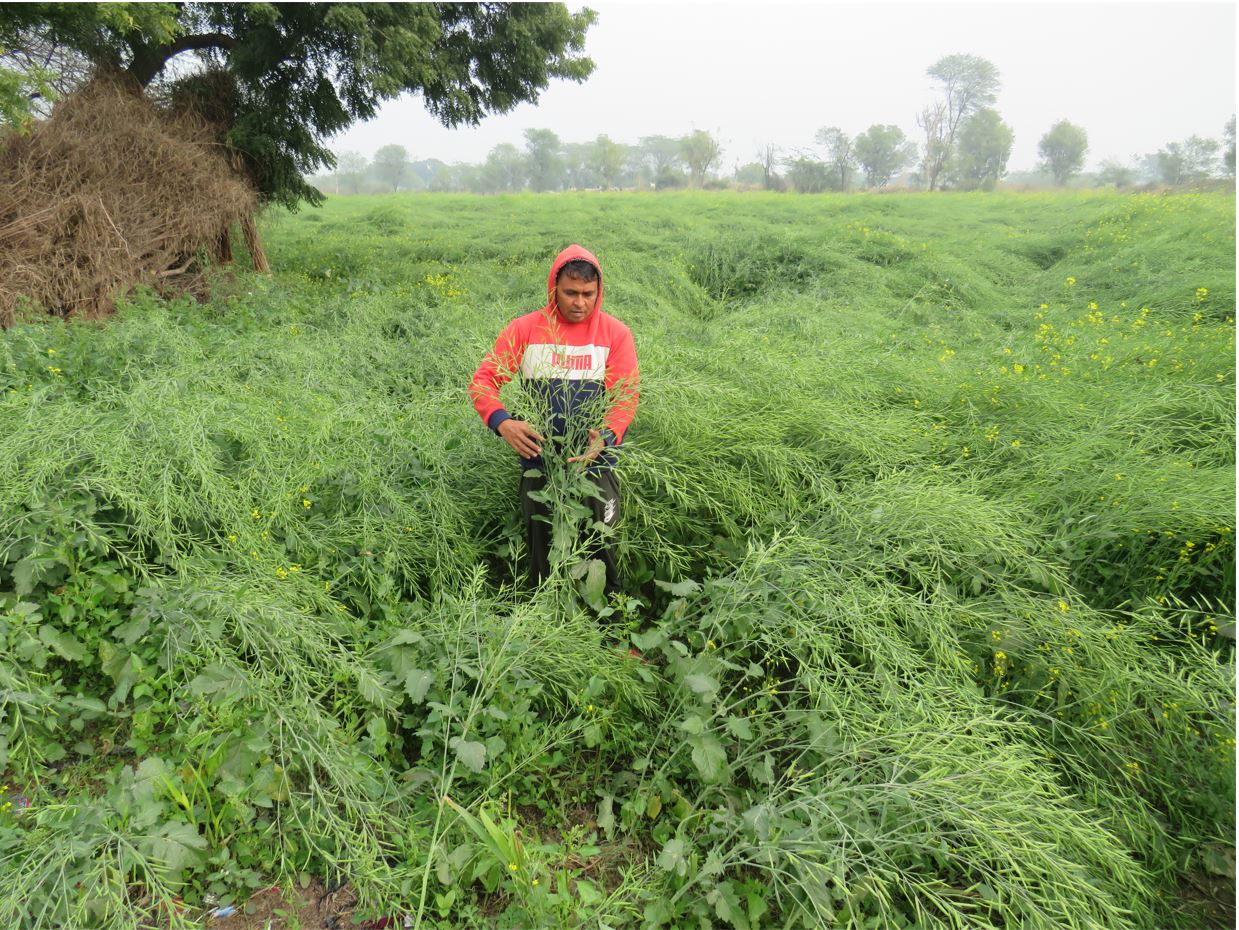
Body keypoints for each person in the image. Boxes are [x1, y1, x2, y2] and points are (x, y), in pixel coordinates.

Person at [470, 244, 639, 592]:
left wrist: (606, 437)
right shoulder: (525, 330)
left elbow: (625, 397)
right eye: (571, 293)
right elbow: (483, 382)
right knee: (541, 549)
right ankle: (544, 621)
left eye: (588, 294)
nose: (580, 302)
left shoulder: (614, 334)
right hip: (539, 460)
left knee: (600, 545)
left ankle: (609, 627)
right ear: (553, 289)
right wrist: (502, 421)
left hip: (595, 464)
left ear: (598, 292)